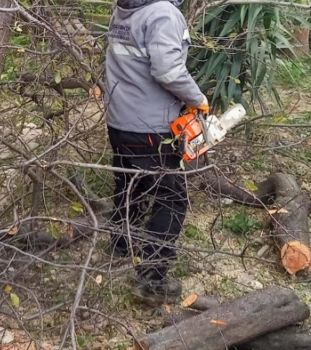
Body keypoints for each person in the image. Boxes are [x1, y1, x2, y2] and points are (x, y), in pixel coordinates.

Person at [103, 0, 208, 302]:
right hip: (150, 126)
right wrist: (197, 99)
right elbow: (168, 70)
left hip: (120, 119)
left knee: (129, 184)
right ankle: (152, 279)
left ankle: (121, 244)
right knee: (172, 198)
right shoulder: (162, 12)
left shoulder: (126, 8)